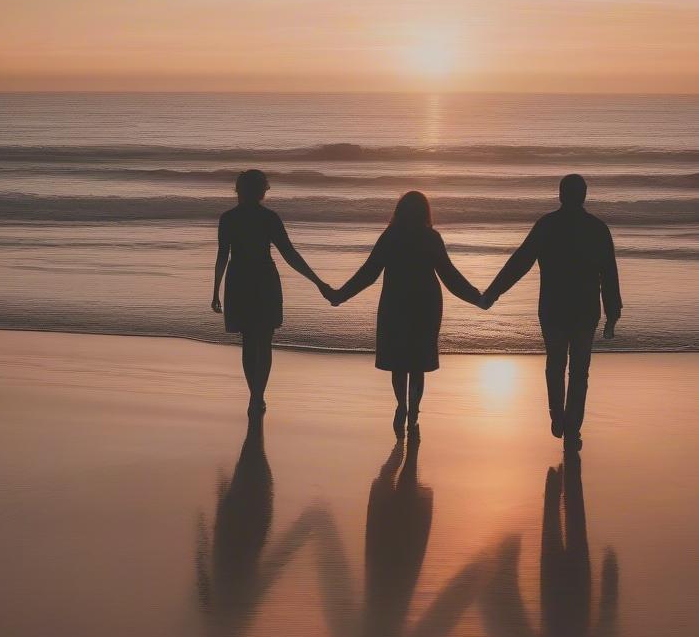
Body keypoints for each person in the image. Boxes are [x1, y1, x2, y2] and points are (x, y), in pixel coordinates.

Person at [326, 191, 482, 439]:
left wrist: (341, 295)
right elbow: (449, 276)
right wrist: (477, 298)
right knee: (418, 362)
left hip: (395, 301)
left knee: (398, 362)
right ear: (425, 212)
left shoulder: (391, 236)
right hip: (426, 303)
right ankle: (414, 412)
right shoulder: (430, 237)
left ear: (399, 211)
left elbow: (369, 273)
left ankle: (401, 405)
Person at [481, 174, 621, 449]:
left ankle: (558, 417)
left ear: (560, 195)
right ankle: (572, 430)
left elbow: (519, 262)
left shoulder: (547, 226)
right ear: (584, 196)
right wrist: (612, 313)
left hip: (553, 309)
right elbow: (610, 276)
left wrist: (493, 293)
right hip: (585, 310)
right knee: (580, 371)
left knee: (555, 365)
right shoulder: (597, 229)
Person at [211, 169, 331, 416]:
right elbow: (289, 254)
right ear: (262, 191)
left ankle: (254, 395)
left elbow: (223, 255)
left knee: (248, 341)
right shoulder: (269, 218)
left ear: (238, 190)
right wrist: (317, 281)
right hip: (264, 279)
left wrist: (215, 292)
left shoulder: (228, 218)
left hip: (239, 279)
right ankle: (258, 396)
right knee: (264, 341)